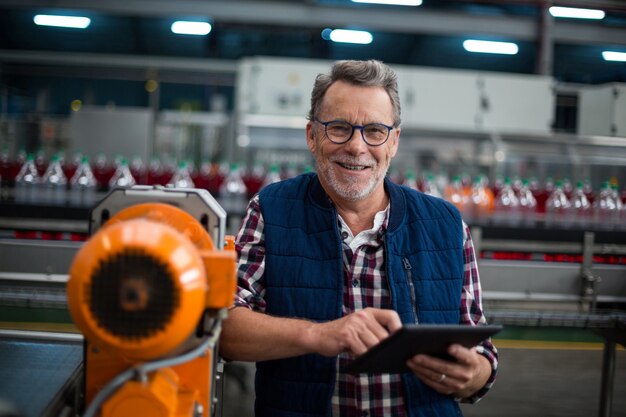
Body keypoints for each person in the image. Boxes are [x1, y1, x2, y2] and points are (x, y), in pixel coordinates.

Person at [219, 59, 498, 417]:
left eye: (374, 131)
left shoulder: (445, 224)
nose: (356, 146)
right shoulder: (272, 211)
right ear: (312, 136)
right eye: (338, 128)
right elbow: (224, 326)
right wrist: (320, 335)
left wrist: (474, 374)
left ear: (393, 141)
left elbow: (482, 351)